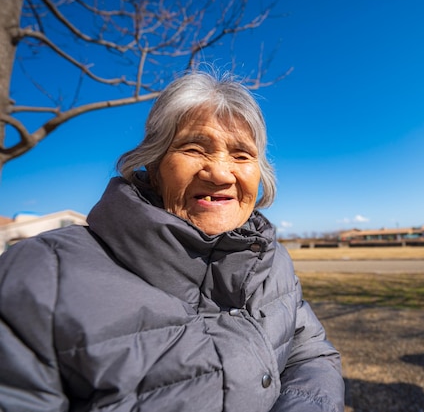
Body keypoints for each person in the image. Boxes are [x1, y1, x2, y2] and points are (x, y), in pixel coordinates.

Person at [0, 71, 344, 411]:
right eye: (194, 148)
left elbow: (312, 356)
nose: (221, 173)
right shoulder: (41, 277)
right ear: (153, 165)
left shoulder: (273, 263)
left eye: (241, 155)